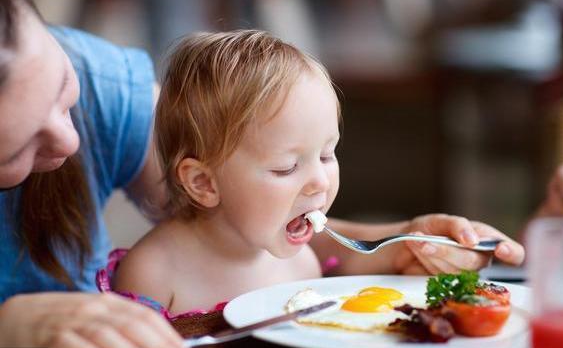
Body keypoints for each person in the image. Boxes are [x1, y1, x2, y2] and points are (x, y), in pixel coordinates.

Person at [0, 0, 523, 348]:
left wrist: (398, 242)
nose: (70, 141)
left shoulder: (107, 87)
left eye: (65, 92)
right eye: (18, 150)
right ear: (200, 182)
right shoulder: (155, 273)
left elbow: (255, 234)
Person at [102, 30, 525, 316]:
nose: (320, 182)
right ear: (204, 183)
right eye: (287, 166)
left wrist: (426, 243)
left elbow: (368, 261)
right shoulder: (154, 274)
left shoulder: (303, 258)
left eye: (327, 155)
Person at [0, 0, 192, 348]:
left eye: (61, 85)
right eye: (16, 151)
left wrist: (345, 246)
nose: (70, 142)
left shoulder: (100, 80)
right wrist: (11, 327)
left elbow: (243, 212)